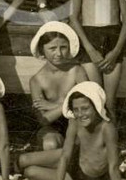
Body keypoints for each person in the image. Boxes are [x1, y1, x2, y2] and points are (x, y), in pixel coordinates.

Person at [20, 82, 126, 180]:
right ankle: (9, 170)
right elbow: (65, 156)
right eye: (76, 110)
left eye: (85, 108)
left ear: (97, 106)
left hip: (85, 178)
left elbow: (113, 165)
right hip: (74, 162)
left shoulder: (107, 128)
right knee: (24, 161)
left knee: (30, 171)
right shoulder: (74, 121)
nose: (81, 114)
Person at [27, 22, 86, 150]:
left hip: (77, 124)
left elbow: (88, 107)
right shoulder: (36, 80)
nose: (59, 54)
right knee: (50, 144)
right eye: (52, 48)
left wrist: (53, 106)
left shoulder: (76, 71)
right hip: (51, 127)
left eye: (63, 47)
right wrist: (67, 105)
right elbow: (43, 120)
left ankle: (32, 166)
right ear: (42, 49)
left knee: (81, 144)